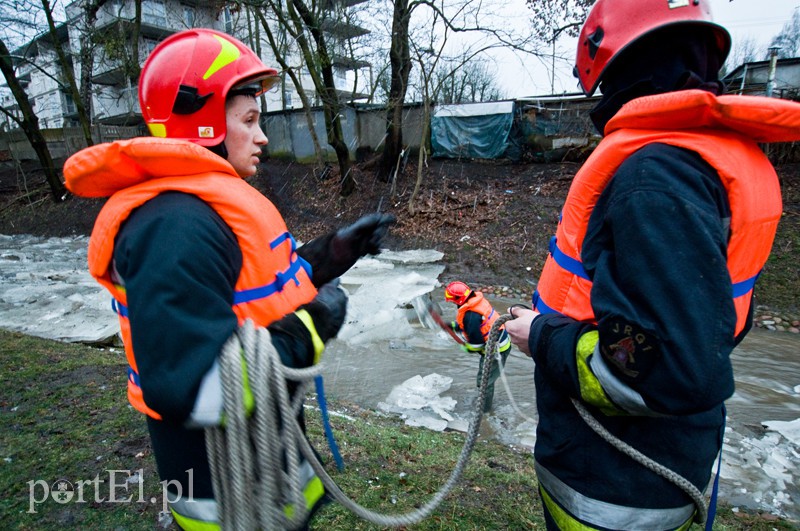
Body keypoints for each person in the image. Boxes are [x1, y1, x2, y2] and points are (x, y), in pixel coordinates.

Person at [63, 28, 394, 530]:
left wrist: (332, 255)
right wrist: (311, 328)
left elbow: (251, 292)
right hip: (225, 496)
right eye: (250, 120)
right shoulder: (174, 225)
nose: (262, 136)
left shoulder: (200, 208)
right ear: (203, 125)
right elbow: (194, 388)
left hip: (264, 474)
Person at [504, 1, 800, 529]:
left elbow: (659, 371)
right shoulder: (709, 157)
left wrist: (540, 335)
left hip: (615, 483)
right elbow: (705, 329)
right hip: (654, 465)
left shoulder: (657, 178)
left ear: (609, 63)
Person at [443, 281, 511, 413]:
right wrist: (451, 326)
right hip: (499, 342)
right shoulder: (476, 303)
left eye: (453, 301)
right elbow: (469, 326)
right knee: (484, 378)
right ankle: (484, 402)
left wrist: (467, 348)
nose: (453, 304)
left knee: (485, 381)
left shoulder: (471, 314)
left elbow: (476, 342)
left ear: (459, 299)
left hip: (496, 350)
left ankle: (484, 411)